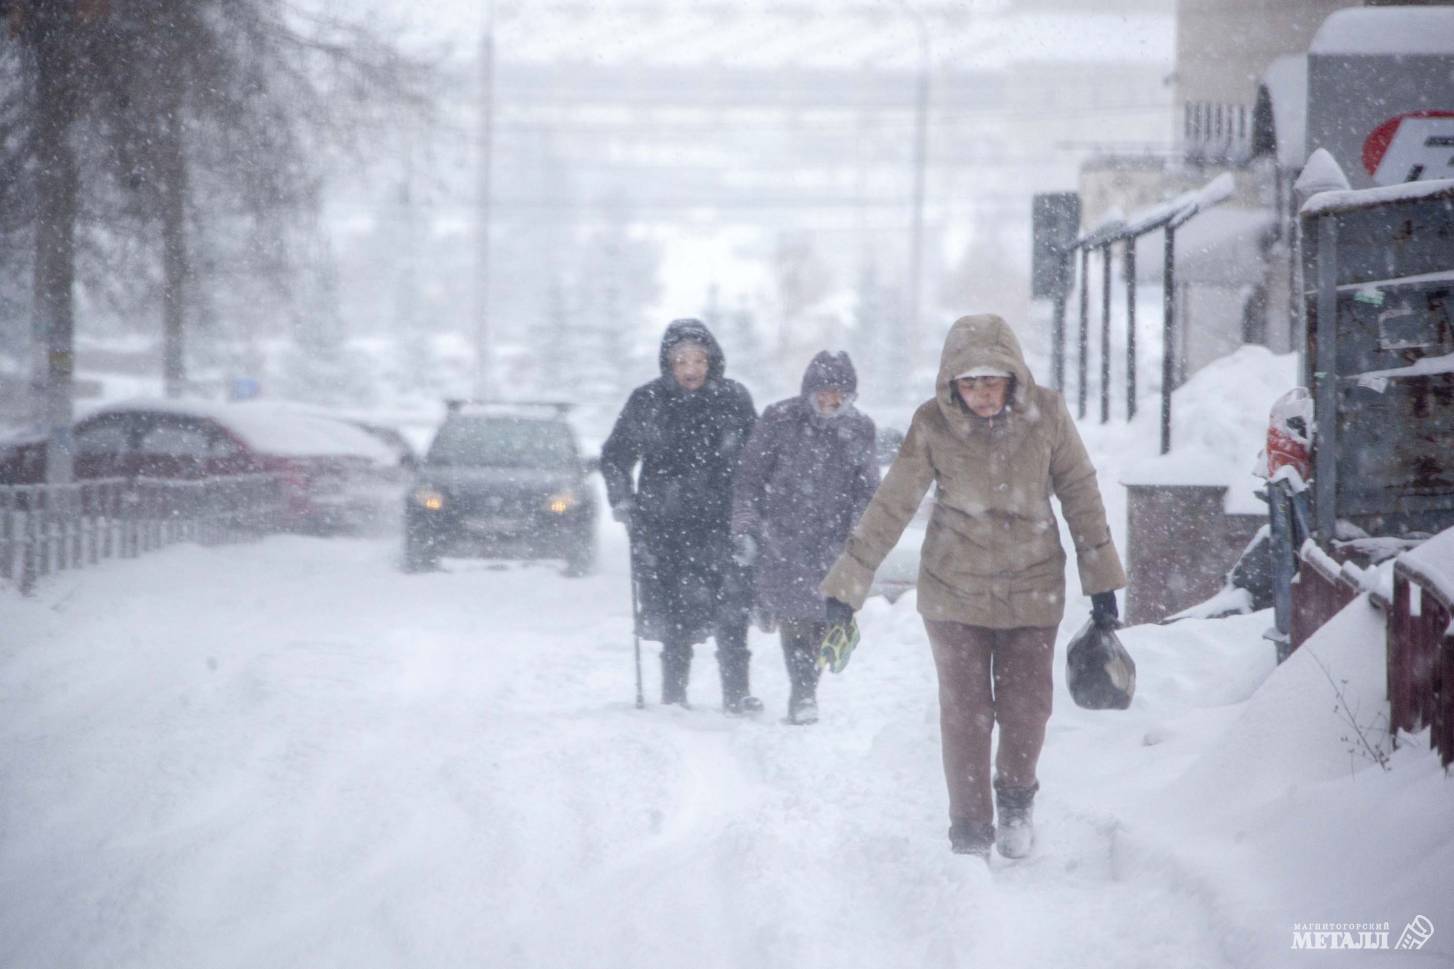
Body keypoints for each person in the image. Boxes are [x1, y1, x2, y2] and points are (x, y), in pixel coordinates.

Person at [819, 313, 1125, 860]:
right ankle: (969, 832)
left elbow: (1079, 491)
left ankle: (1015, 799)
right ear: (951, 383)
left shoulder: (1048, 414)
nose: (982, 393)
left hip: (1034, 589)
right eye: (969, 382)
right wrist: (847, 587)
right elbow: (893, 503)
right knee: (966, 713)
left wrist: (1101, 583)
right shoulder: (933, 423)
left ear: (1013, 376)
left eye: (992, 380)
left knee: (1027, 707)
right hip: (953, 591)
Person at [601, 318, 763, 714]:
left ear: (712, 360)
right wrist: (623, 500)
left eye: (698, 359)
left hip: (723, 522)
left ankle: (737, 694)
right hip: (664, 524)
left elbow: (757, 460)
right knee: (674, 610)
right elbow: (615, 456)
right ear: (667, 362)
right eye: (680, 360)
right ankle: (674, 696)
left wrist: (755, 510)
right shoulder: (648, 401)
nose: (690, 369)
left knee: (732, 608)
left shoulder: (734, 398)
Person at [730, 351, 879, 725]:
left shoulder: (860, 429)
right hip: (785, 538)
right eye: (824, 393)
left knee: (823, 620)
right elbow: (749, 480)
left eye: (840, 395)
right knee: (796, 616)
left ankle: (807, 685)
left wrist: (861, 535)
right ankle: (803, 693)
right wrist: (746, 527)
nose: (831, 402)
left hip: (834, 541)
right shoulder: (779, 420)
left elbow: (868, 489)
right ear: (809, 392)